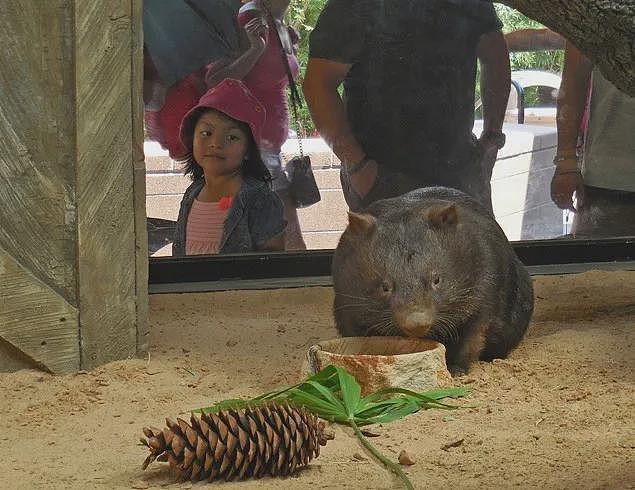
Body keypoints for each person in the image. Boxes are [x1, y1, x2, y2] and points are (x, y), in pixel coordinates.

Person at [302, 0, 511, 213]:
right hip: (384, 177)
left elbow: (495, 57)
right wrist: (359, 167)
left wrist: (492, 138)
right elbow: (317, 85)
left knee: (471, 247)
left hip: (460, 170)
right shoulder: (354, 5)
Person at [206, 0, 307, 250]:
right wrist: (255, 50)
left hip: (271, 152)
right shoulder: (249, 18)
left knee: (283, 245)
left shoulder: (283, 26)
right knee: (284, 246)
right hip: (248, 153)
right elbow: (214, 79)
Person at [172, 78, 286, 256]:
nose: (215, 144)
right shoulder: (191, 194)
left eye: (232, 137)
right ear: (191, 139)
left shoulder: (260, 201)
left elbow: (272, 263)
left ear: (249, 150)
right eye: (206, 133)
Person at [551, 42, 635, 238]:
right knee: (600, 262)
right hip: (609, 176)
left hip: (607, 173)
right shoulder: (593, 12)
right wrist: (566, 162)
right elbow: (573, 83)